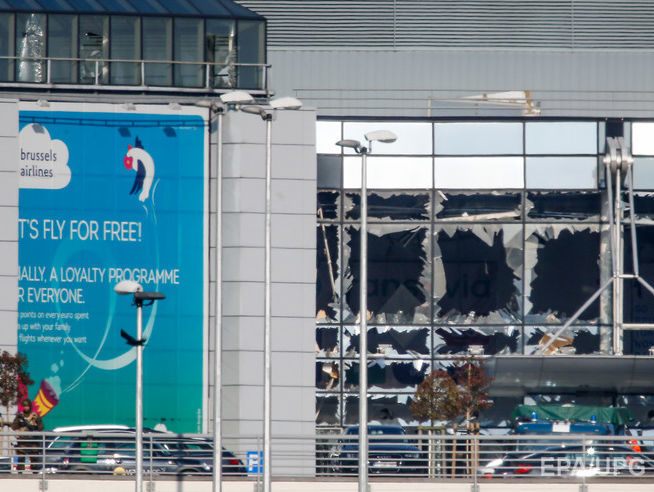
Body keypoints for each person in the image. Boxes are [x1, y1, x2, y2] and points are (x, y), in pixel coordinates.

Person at [11, 398, 44, 471]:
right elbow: (13, 426)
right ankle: (20, 473)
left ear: (30, 406)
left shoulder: (35, 416)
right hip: (22, 440)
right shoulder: (20, 416)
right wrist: (20, 426)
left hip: (33, 440)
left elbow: (41, 427)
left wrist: (34, 427)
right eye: (25, 406)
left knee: (34, 459)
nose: (26, 408)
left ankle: (35, 473)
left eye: (27, 406)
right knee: (21, 458)